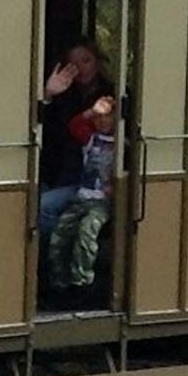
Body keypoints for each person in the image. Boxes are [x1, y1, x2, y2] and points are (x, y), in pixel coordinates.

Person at [37, 40, 114, 239]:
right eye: (74, 64)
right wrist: (48, 94)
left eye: (86, 60)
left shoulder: (112, 95)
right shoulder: (65, 94)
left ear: (97, 61)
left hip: (89, 180)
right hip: (55, 170)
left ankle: (67, 247)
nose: (81, 68)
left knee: (41, 208)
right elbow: (43, 128)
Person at [46, 95, 116, 301]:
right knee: (61, 234)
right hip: (82, 197)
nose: (102, 121)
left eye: (108, 117)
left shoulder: (121, 144)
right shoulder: (90, 138)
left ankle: (82, 283)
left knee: (87, 233)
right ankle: (59, 282)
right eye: (99, 117)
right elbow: (75, 124)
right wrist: (91, 111)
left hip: (101, 201)